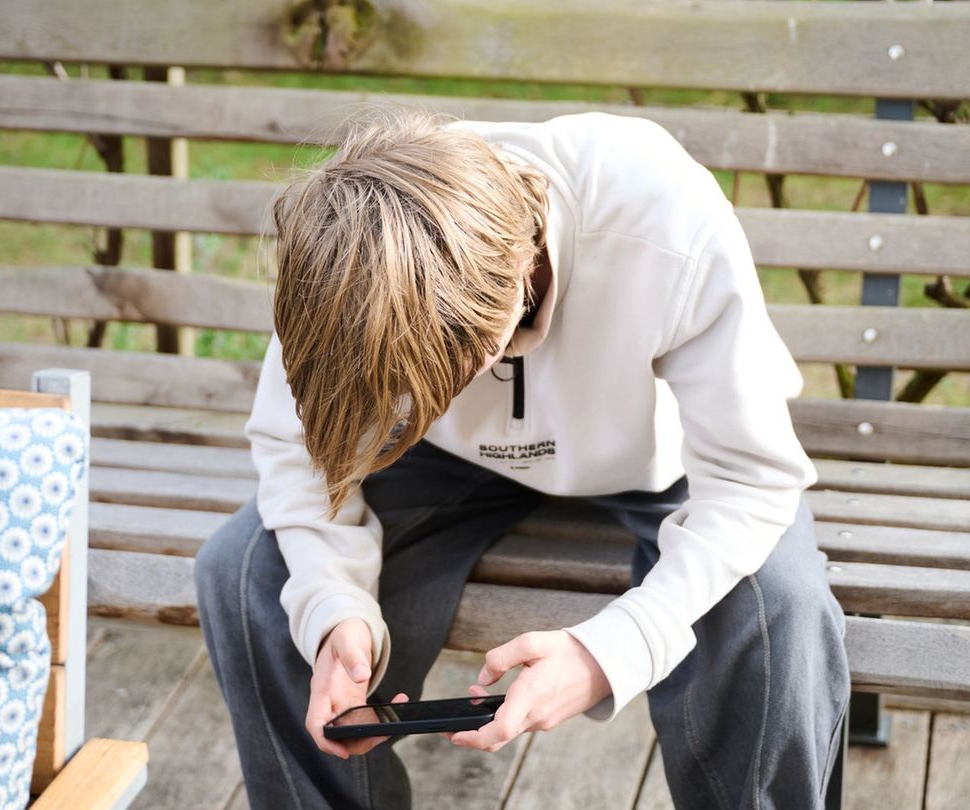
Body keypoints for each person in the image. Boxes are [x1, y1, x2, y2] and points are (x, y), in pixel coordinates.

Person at [195, 106, 850, 809]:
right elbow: (297, 444)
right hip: (439, 460)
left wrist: (609, 652)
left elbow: (753, 480)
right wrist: (333, 609)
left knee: (777, 600)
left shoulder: (663, 216)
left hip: (657, 462)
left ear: (510, 299)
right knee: (246, 572)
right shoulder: (350, 250)